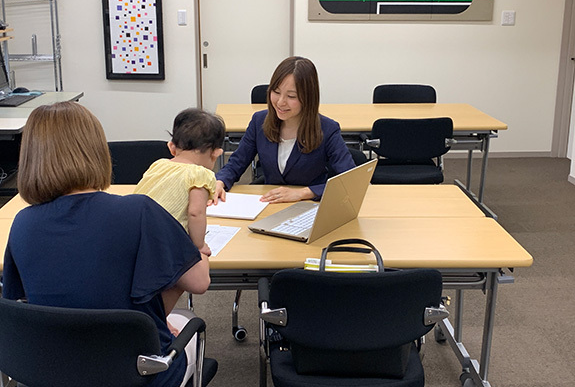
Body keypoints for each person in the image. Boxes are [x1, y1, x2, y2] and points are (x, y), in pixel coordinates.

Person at [2, 102, 210, 387]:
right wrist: (199, 252)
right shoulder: (139, 211)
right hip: (140, 372)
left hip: (52, 371)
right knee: (187, 321)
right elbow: (198, 282)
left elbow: (33, 302)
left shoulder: (22, 224)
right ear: (97, 149)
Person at [213, 56, 355, 204]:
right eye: (276, 92)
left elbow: (350, 180)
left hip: (309, 207)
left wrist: (303, 193)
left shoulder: (327, 129)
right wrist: (220, 182)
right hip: (270, 205)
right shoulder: (259, 121)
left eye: (291, 96)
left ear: (308, 98)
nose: (280, 102)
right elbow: (236, 162)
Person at [134, 108, 225, 257]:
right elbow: (196, 213)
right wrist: (199, 245)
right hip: (166, 244)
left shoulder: (158, 164)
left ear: (172, 147)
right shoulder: (200, 174)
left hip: (138, 235)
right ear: (216, 153)